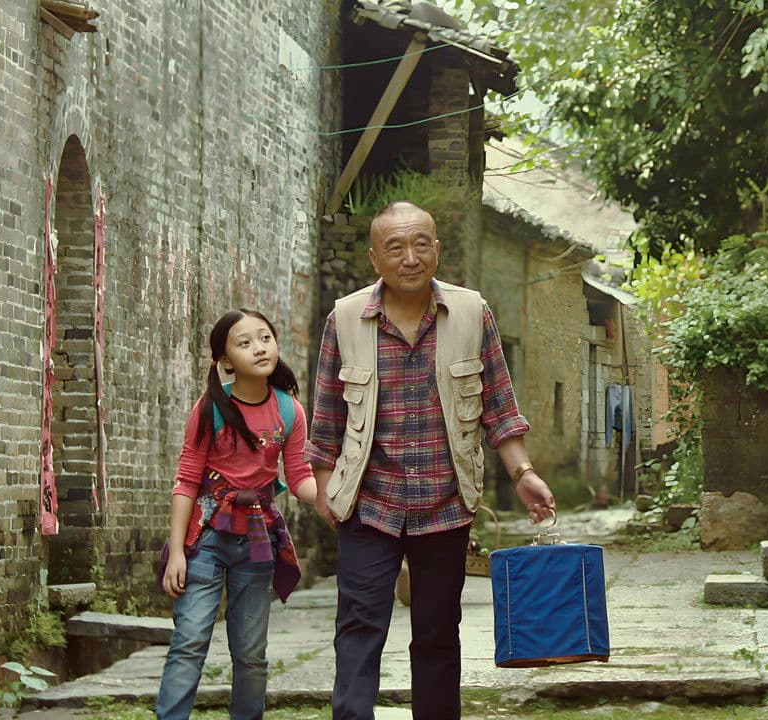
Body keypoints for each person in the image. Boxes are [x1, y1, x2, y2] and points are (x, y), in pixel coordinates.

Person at [305, 201, 558, 719]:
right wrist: (325, 488)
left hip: (445, 505)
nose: (410, 257)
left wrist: (524, 474)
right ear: (375, 258)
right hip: (367, 504)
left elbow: (500, 410)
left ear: (438, 250)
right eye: (395, 247)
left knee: (438, 634)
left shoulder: (471, 313)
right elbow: (326, 417)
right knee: (358, 630)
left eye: (421, 243)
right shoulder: (346, 319)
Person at [156, 308, 318, 720]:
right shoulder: (210, 407)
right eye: (243, 343)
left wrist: (334, 498)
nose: (258, 348)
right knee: (189, 641)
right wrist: (176, 552)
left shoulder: (289, 411)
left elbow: (299, 477)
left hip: (257, 543)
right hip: (205, 541)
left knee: (250, 654)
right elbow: (187, 481)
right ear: (225, 360)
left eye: (264, 338)